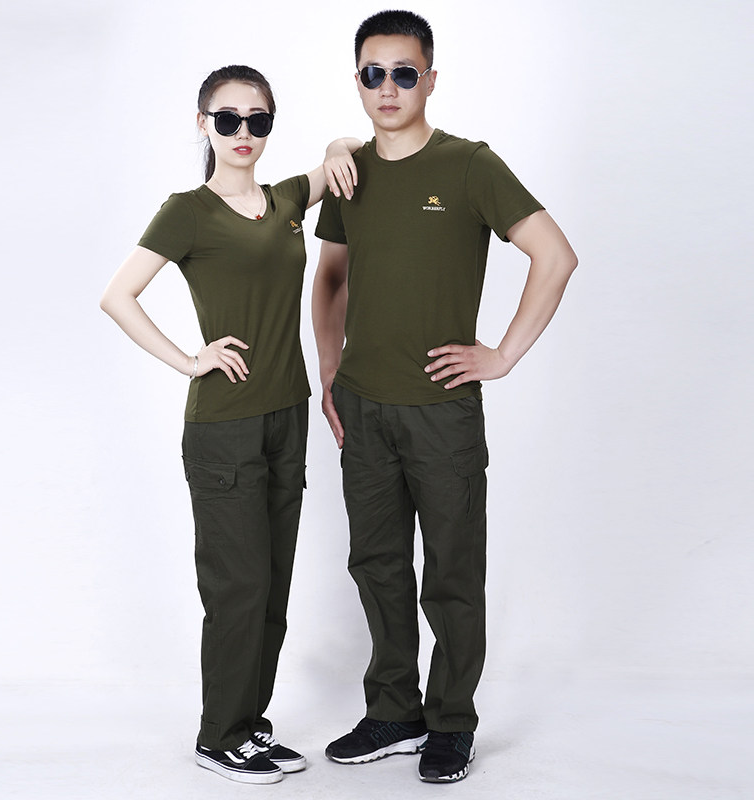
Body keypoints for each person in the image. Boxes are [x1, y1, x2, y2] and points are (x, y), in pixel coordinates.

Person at [312, 11, 578, 784]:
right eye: (373, 73)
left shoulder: (469, 166)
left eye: (404, 72)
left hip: (440, 410)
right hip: (362, 407)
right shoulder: (347, 171)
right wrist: (328, 371)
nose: (388, 87)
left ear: (430, 79)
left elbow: (555, 255)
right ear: (357, 81)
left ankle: (451, 721)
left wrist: (503, 355)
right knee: (377, 564)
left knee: (453, 573)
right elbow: (330, 278)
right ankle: (394, 711)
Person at [100, 65, 359, 786]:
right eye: (228, 119)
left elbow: (346, 151)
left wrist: (333, 144)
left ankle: (248, 723)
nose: (244, 132)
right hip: (224, 427)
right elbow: (118, 296)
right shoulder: (187, 211)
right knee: (237, 586)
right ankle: (219, 735)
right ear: (204, 124)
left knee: (271, 586)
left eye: (258, 120)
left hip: (287, 415)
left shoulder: (285, 201)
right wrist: (191, 361)